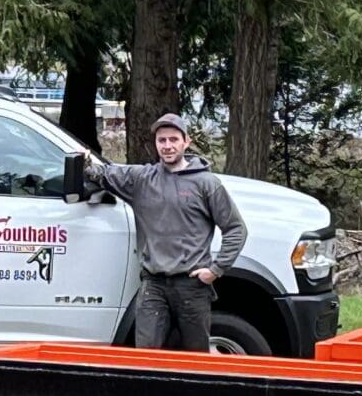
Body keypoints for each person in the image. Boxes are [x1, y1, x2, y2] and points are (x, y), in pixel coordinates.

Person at [86, 113, 247, 352]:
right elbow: (103, 173)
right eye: (162, 140)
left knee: (195, 360)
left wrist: (216, 270)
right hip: (153, 285)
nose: (168, 146)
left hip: (192, 286)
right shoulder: (141, 179)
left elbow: (236, 229)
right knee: (147, 357)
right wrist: (84, 162)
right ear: (156, 144)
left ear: (186, 142)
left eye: (174, 139)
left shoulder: (207, 184)